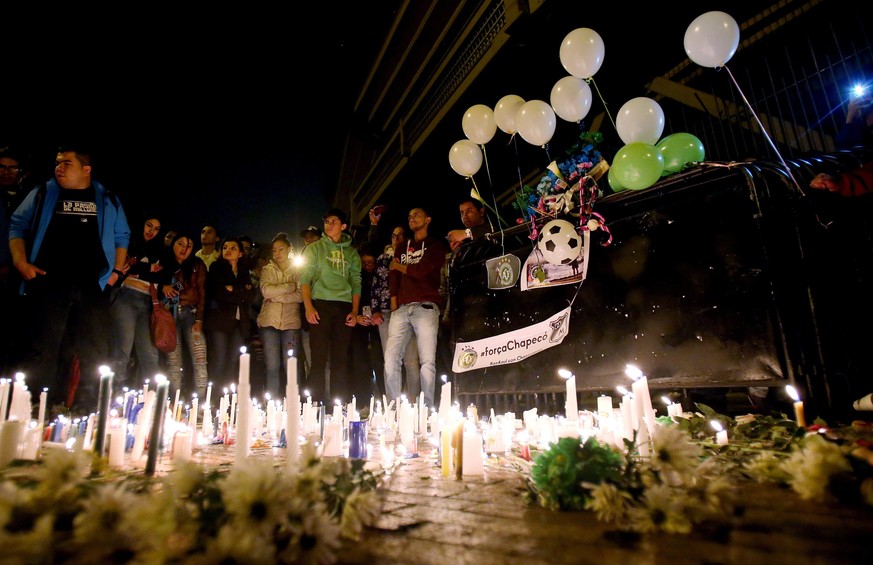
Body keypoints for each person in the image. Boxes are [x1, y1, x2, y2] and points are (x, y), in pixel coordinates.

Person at [8, 145, 130, 409]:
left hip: (92, 283)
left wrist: (117, 271)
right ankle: (35, 405)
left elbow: (122, 235)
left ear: (86, 169)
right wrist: (21, 262)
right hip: (49, 280)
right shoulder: (44, 192)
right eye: (57, 163)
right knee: (44, 345)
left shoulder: (106, 197)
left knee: (93, 347)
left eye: (66, 163)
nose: (59, 168)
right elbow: (17, 225)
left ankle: (86, 406)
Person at [383, 206, 449, 407]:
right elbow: (393, 274)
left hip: (426, 307)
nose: (412, 218)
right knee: (391, 358)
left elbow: (422, 270)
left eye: (417, 215)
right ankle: (393, 408)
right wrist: (394, 301)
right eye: (409, 215)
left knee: (427, 360)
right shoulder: (403, 246)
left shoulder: (435, 245)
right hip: (402, 308)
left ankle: (427, 407)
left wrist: (399, 266)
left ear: (428, 219)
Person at [299, 208, 361, 403]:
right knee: (318, 359)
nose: (329, 225)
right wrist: (308, 307)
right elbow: (305, 279)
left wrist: (354, 311)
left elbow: (356, 282)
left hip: (343, 307)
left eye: (334, 221)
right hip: (320, 305)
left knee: (340, 360)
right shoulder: (315, 248)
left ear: (343, 226)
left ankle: (338, 406)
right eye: (326, 221)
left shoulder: (351, 253)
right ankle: (314, 405)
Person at [367, 210, 421, 398]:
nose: (396, 238)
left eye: (401, 235)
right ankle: (392, 404)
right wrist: (374, 311)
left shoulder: (412, 257)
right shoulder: (383, 259)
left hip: (408, 310)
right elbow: (376, 285)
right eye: (393, 235)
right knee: (389, 359)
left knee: (411, 361)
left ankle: (414, 403)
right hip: (386, 313)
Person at [109, 213, 165, 389]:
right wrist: (149, 268)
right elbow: (122, 264)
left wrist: (138, 269)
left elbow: (163, 273)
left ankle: (153, 396)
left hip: (149, 301)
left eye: (156, 229)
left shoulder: (160, 250)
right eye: (149, 225)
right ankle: (114, 394)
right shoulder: (129, 243)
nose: (151, 231)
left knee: (149, 351)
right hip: (127, 296)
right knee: (123, 348)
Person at [155, 232, 209, 398]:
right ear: (173, 244)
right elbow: (152, 284)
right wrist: (162, 287)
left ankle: (200, 405)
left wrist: (199, 318)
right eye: (180, 244)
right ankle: (176, 402)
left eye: (189, 246)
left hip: (190, 313)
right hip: (168, 315)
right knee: (173, 362)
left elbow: (202, 291)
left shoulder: (197, 265)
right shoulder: (162, 263)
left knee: (200, 359)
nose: (184, 249)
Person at [205, 236, 256, 386]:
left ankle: (226, 398)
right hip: (219, 321)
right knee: (218, 361)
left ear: (240, 253)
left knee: (233, 361)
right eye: (225, 247)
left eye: (233, 248)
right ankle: (213, 398)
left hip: (239, 323)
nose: (228, 250)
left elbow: (251, 296)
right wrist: (240, 293)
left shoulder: (244, 271)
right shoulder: (216, 268)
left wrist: (233, 290)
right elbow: (218, 293)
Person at [257, 232, 303, 396]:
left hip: (291, 322)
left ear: (289, 249)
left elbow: (301, 295)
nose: (277, 253)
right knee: (272, 364)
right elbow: (266, 291)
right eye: (274, 250)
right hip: (269, 321)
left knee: (291, 363)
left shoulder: (299, 269)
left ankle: (294, 401)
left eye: (280, 249)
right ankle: (272, 402)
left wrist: (276, 296)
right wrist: (289, 287)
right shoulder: (267, 269)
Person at [348, 242, 384, 401]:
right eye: (364, 263)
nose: (367, 266)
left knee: (379, 360)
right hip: (359, 323)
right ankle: (362, 399)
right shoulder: (355, 277)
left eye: (370, 263)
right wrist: (357, 317)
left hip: (376, 321)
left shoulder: (380, 276)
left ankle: (383, 397)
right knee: (359, 361)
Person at [297, 224, 322, 381]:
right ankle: (312, 395)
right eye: (306, 236)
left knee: (323, 358)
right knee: (308, 358)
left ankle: (326, 395)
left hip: (323, 311)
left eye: (312, 236)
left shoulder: (324, 256)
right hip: (305, 315)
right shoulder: (302, 258)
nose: (308, 239)